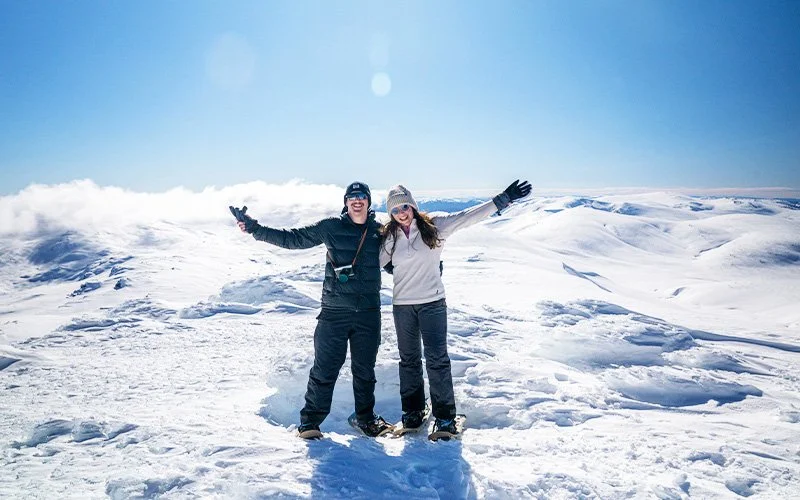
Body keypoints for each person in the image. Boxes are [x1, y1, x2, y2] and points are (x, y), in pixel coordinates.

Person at [231, 182, 393, 439]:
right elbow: (293, 238)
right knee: (325, 368)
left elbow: (396, 261)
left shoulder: (379, 231)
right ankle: (310, 423)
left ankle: (366, 419)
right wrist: (255, 229)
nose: (357, 200)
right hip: (334, 313)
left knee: (365, 371)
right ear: (346, 202)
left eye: (362, 196)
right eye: (352, 196)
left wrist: (428, 266)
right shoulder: (331, 227)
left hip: (368, 313)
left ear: (369, 201)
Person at [380, 180, 531, 437]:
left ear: (412, 206)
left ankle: (445, 418)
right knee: (409, 361)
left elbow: (467, 217)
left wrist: (502, 199)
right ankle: (413, 412)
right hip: (403, 306)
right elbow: (370, 263)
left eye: (404, 207)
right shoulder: (390, 237)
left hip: (433, 304)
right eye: (395, 210)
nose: (401, 213)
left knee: (437, 360)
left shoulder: (435, 226)